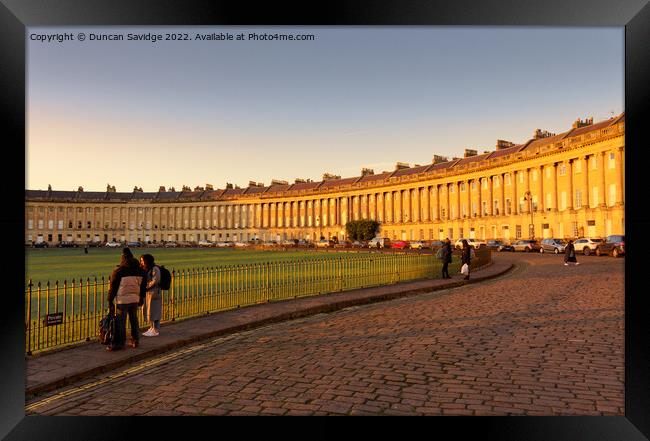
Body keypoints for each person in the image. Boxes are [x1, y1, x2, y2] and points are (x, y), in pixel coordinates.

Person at [107, 248, 146, 351]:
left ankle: (120, 343)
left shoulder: (119, 271)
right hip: (135, 299)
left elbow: (113, 288)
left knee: (121, 321)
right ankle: (135, 339)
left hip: (122, 300)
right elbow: (143, 287)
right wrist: (141, 298)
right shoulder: (141, 271)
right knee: (134, 320)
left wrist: (110, 300)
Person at [140, 253, 162, 337]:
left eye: (142, 260)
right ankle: (151, 327)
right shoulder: (147, 269)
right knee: (149, 311)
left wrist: (146, 286)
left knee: (155, 311)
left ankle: (155, 329)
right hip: (149, 293)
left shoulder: (155, 268)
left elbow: (156, 280)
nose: (141, 262)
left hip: (154, 293)